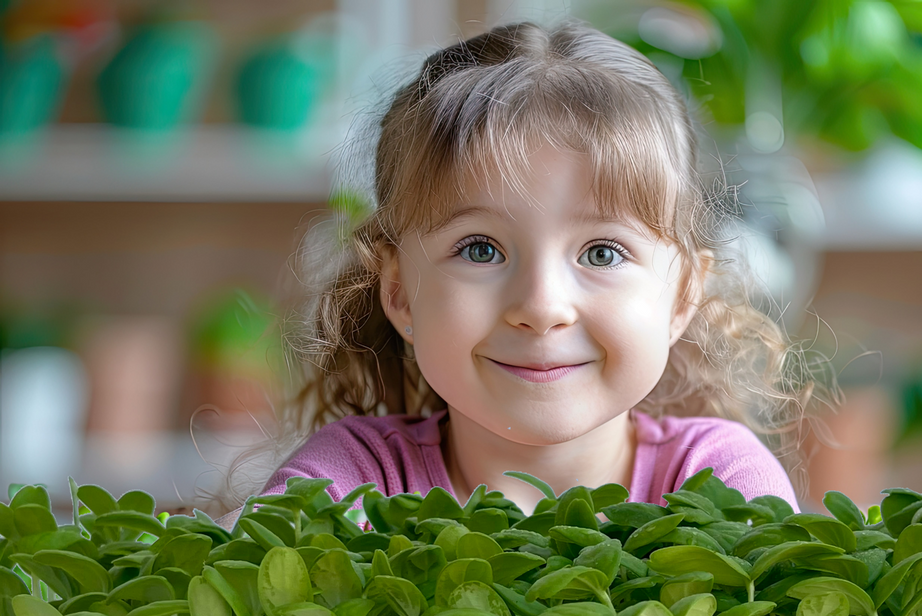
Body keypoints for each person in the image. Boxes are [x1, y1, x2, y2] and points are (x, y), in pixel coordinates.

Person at [216, 19, 825, 529]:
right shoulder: (347, 482)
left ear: (682, 295)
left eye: (602, 253)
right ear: (399, 290)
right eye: (480, 249)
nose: (540, 304)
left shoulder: (719, 481)